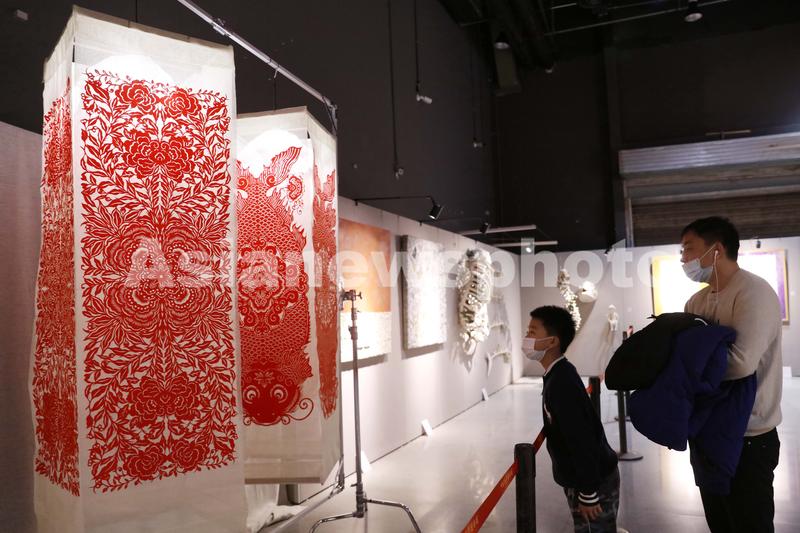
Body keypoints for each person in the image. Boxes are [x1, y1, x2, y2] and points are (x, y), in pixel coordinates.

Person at [681, 216, 782, 533]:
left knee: (750, 524)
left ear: (716, 249)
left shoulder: (753, 292)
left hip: (749, 436)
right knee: (720, 522)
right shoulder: (696, 301)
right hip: (707, 432)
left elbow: (740, 363)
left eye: (689, 249)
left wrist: (689, 367)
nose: (683, 259)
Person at [524, 305, 620, 533]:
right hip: (584, 479)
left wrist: (588, 493)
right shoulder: (557, 374)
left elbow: (581, 438)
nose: (526, 338)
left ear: (551, 341)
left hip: (593, 483)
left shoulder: (562, 382)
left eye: (532, 332)